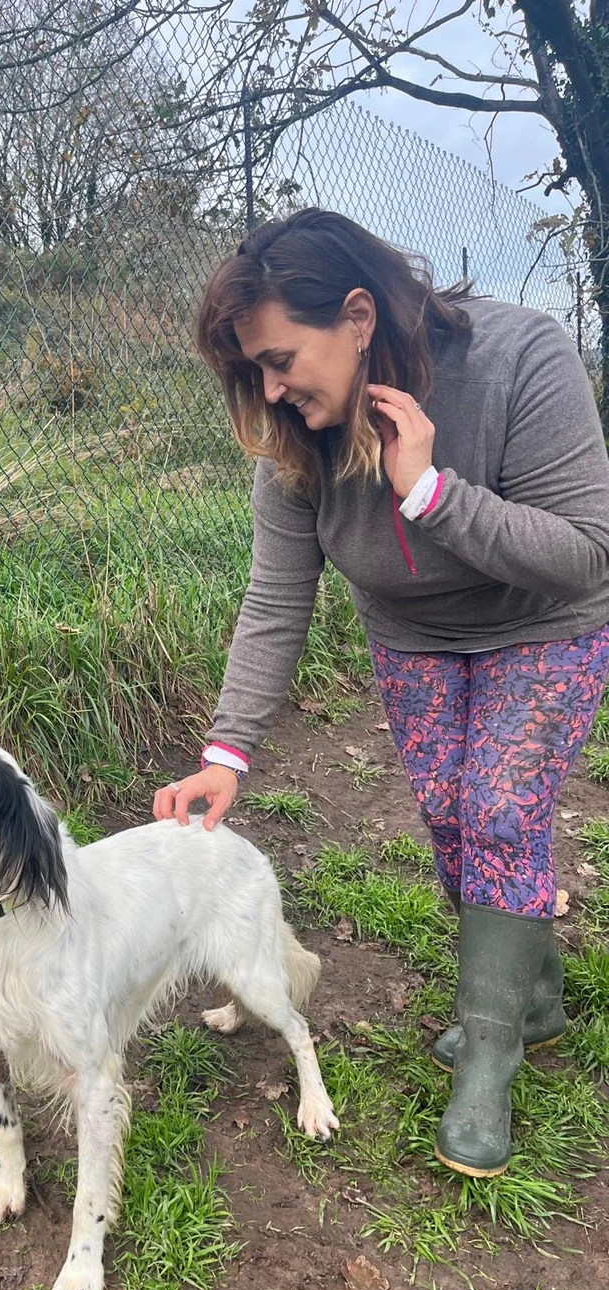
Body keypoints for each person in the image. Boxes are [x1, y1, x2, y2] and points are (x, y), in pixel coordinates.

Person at [153, 208, 609, 1178]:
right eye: (254, 371)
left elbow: (584, 553)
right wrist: (226, 753)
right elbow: (275, 602)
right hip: (415, 636)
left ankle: (489, 1051)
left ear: (357, 315)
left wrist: (430, 493)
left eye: (281, 358)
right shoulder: (296, 446)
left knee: (496, 809)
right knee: (454, 820)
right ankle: (532, 991)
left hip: (545, 620)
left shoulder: (522, 357)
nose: (271, 388)